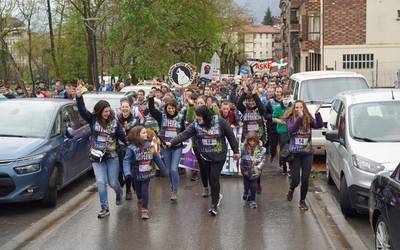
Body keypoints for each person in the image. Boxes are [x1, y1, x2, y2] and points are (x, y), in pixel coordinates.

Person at [166, 106, 240, 216]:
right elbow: (185, 134)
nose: (197, 119)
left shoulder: (220, 121)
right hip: (204, 155)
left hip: (219, 155)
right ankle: (216, 194)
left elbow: (230, 135)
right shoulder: (195, 124)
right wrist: (172, 142)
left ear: (206, 117)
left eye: (199, 117)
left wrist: (236, 151)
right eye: (196, 117)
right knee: (210, 177)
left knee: (214, 177)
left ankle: (214, 205)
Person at [75, 86, 127, 219]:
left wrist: (132, 143)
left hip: (112, 156)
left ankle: (119, 192)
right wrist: (79, 97)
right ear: (99, 111)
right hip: (96, 157)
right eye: (105, 111)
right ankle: (105, 208)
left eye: (109, 111)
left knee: (113, 182)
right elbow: (82, 110)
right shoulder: (93, 119)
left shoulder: (115, 123)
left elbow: (122, 136)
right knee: (100, 182)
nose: (107, 113)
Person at [123, 126, 168, 219]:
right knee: (139, 191)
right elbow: (126, 160)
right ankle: (139, 198)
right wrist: (127, 172)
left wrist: (164, 170)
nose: (146, 134)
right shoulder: (131, 148)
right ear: (137, 135)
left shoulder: (150, 146)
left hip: (147, 173)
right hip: (136, 173)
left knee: (145, 190)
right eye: (143, 133)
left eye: (146, 132)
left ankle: (145, 210)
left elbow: (157, 158)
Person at [285, 100, 323, 211]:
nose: (299, 109)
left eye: (301, 107)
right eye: (296, 107)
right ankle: (291, 189)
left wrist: (317, 113)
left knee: (305, 179)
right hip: (295, 154)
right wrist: (300, 118)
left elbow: (318, 125)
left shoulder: (308, 119)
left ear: (304, 108)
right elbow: (292, 130)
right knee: (296, 180)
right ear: (294, 109)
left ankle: (302, 201)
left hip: (307, 153)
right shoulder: (289, 119)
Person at [148, 95, 185, 202]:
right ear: (166, 109)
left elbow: (183, 132)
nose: (171, 110)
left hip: (177, 147)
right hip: (165, 147)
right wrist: (151, 98)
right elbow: (152, 110)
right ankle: (173, 185)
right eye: (169, 108)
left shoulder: (181, 117)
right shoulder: (162, 116)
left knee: (174, 169)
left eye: (173, 108)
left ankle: (175, 191)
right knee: (169, 171)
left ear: (176, 108)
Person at [240, 132, 266, 209]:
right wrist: (242, 170)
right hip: (246, 170)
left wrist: (258, 167)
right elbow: (241, 160)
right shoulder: (243, 148)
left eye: (253, 141)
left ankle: (253, 200)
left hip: (255, 170)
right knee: (246, 184)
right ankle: (245, 192)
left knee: (253, 186)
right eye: (250, 141)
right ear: (247, 141)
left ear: (256, 141)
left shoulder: (261, 149)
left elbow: (263, 160)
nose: (252, 143)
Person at [117, 99, 135, 200]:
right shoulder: (116, 119)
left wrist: (128, 129)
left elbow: (136, 133)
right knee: (119, 171)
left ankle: (128, 190)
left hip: (130, 148)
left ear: (130, 108)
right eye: (123, 107)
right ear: (120, 108)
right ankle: (121, 182)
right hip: (119, 148)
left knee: (128, 170)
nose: (124, 109)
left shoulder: (134, 119)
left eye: (126, 107)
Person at [272, 91, 292, 175]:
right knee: (284, 150)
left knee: (291, 149)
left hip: (292, 131)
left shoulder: (293, 107)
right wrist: (281, 121)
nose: (286, 99)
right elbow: (273, 118)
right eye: (285, 97)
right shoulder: (278, 107)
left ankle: (291, 167)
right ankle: (284, 166)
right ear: (282, 97)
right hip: (282, 131)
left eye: (288, 97)